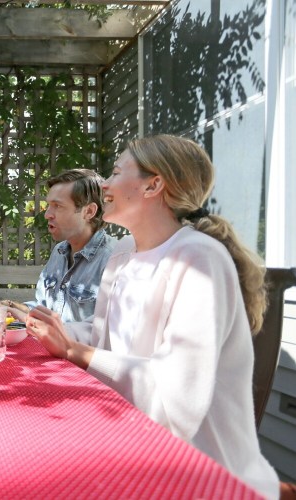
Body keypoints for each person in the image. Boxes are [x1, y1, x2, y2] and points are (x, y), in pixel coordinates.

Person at [26, 135, 278, 498]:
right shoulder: (125, 253)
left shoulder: (198, 260)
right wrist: (49, 328)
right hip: (133, 445)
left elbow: (177, 404)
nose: (106, 186)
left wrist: (72, 351)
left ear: (153, 185)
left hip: (202, 473)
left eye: (114, 173)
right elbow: (102, 341)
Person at [0, 169, 116, 323]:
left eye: (57, 206)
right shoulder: (59, 251)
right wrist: (4, 306)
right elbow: (42, 310)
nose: (47, 214)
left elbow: (104, 332)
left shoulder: (113, 260)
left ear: (88, 212)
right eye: (49, 205)